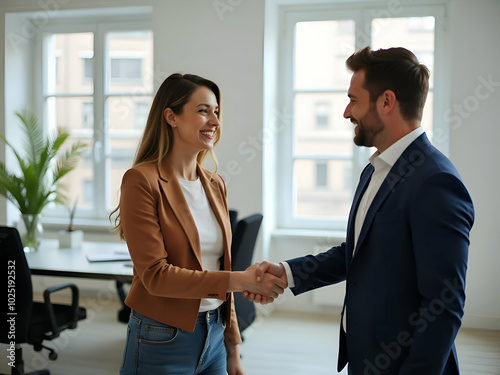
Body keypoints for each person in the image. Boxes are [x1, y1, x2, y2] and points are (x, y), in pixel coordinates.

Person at [246, 47, 474, 375]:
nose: (345, 112)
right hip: (367, 357)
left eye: (353, 99)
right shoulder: (375, 169)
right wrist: (288, 272)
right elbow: (359, 253)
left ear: (386, 101)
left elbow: (444, 304)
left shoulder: (436, 182)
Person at [111, 73, 286, 375]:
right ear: (171, 116)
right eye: (204, 110)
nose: (215, 122)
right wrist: (239, 279)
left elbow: (221, 266)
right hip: (162, 337)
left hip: (215, 335)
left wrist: (233, 349)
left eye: (216, 112)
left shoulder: (215, 184)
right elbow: (155, 276)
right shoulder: (141, 180)